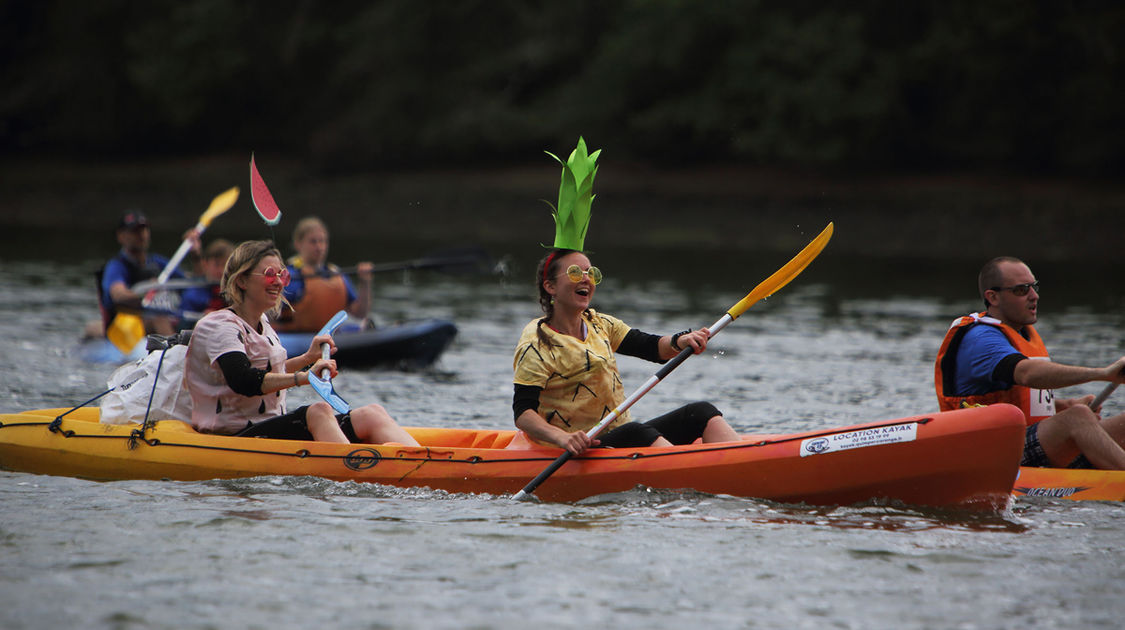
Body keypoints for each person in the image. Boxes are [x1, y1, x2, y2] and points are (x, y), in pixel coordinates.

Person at [511, 137, 740, 455]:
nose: (587, 280)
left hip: (620, 437)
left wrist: (681, 341)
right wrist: (563, 438)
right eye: (576, 273)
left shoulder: (599, 323)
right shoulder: (537, 340)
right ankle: (688, 473)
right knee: (636, 431)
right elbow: (523, 414)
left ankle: (745, 461)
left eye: (591, 273)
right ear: (550, 287)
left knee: (700, 411)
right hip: (574, 448)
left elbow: (651, 347)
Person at [184, 239, 418, 445]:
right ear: (242, 281)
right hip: (232, 437)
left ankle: (422, 461)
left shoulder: (263, 324)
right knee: (318, 411)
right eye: (269, 274)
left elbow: (269, 372)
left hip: (267, 426)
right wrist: (305, 378)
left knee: (372, 413)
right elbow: (244, 380)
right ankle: (356, 472)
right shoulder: (219, 325)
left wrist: (308, 358)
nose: (278, 282)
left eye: (282, 275)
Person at [935, 256, 1125, 469]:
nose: (1034, 296)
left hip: (1032, 444)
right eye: (1021, 290)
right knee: (1077, 417)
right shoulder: (980, 338)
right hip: (990, 452)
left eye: (1034, 287)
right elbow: (1026, 373)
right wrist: (1102, 373)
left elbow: (1016, 403)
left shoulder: (1023, 334)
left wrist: (1064, 405)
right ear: (993, 297)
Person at [96, 210, 195, 337]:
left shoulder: (158, 262)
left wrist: (195, 255)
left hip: (162, 318)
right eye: (134, 231)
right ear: (121, 236)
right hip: (128, 324)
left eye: (143, 230)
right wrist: (147, 290)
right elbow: (118, 294)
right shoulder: (116, 266)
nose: (140, 235)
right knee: (159, 316)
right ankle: (174, 351)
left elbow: (190, 284)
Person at [273, 217, 374, 332]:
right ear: (298, 244)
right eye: (313, 241)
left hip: (332, 338)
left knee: (366, 326)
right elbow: (270, 311)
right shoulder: (289, 276)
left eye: (322, 241)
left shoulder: (337, 275)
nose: (319, 247)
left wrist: (365, 283)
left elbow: (360, 314)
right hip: (297, 336)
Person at [178, 238, 234, 327]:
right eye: (217, 264)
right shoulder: (193, 293)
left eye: (225, 265)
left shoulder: (235, 293)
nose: (221, 270)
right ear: (205, 264)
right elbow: (183, 326)